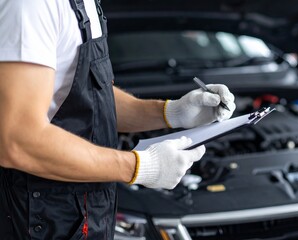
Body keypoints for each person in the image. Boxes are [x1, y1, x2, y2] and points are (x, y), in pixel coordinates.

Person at [0, 0, 235, 239]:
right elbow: (18, 140)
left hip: (85, 217)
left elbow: (90, 94)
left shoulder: (86, 4)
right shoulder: (32, 6)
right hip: (38, 221)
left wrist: (171, 112)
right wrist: (141, 166)